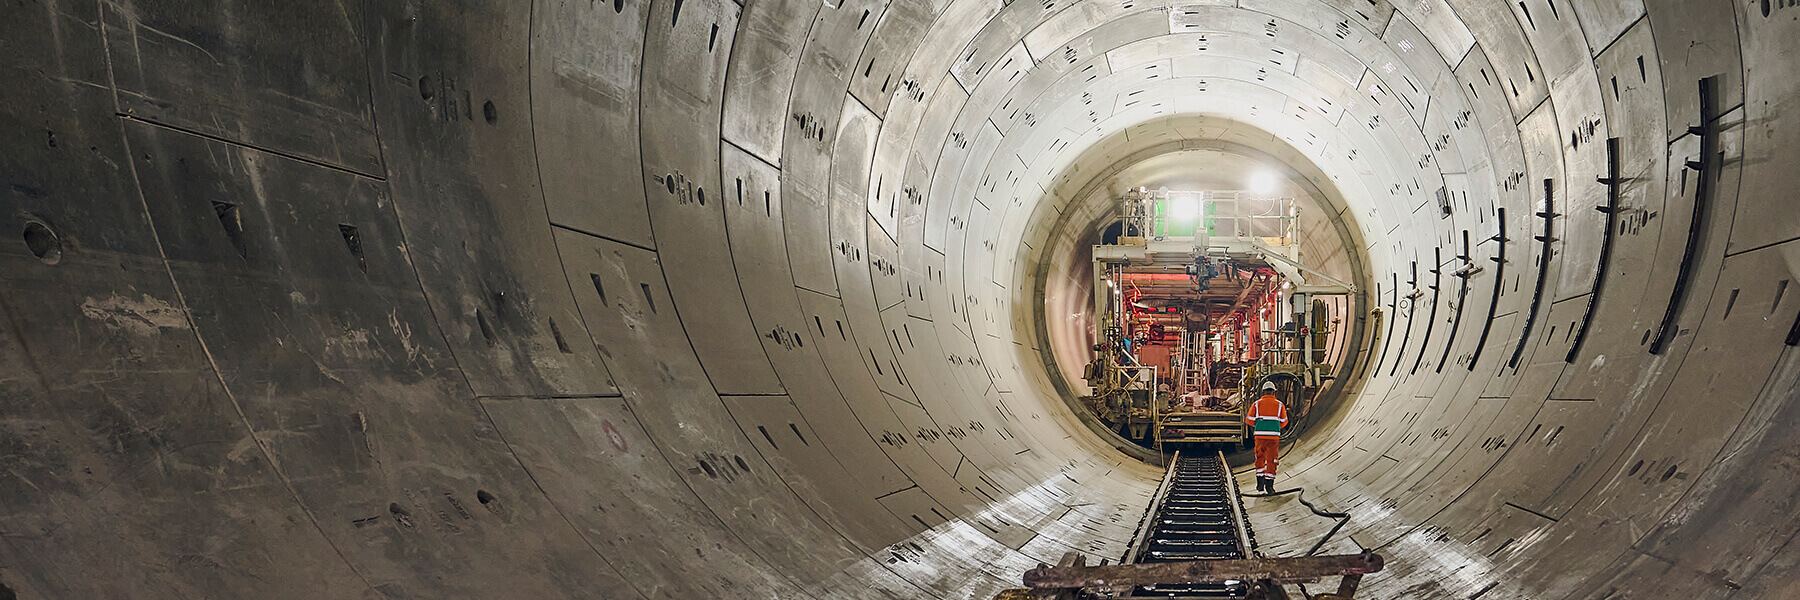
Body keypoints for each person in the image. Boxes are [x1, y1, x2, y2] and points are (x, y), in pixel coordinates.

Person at [1245, 381, 1288, 492]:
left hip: (1259, 437)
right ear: (1274, 392)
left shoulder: (1256, 404)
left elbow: (1249, 420)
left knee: (1259, 458)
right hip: (1273, 438)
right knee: (1271, 460)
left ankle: (1260, 484)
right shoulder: (1279, 405)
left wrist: (1260, 425)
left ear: (1263, 392)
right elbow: (1284, 422)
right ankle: (1269, 486)